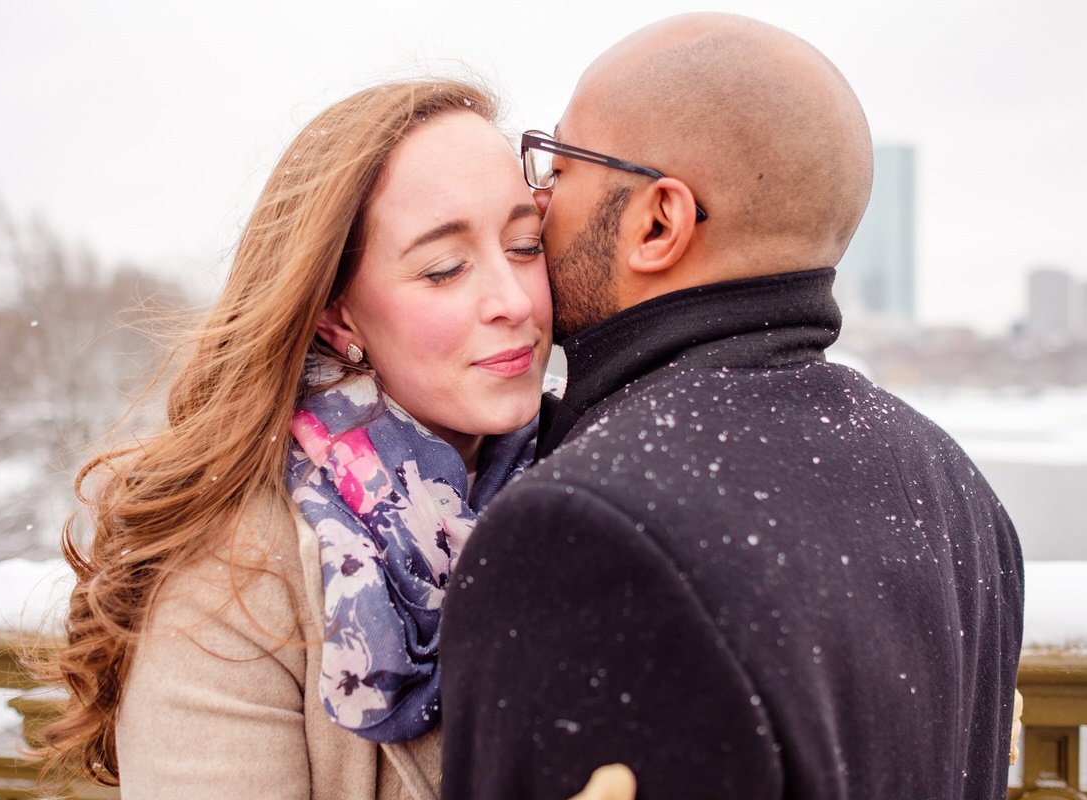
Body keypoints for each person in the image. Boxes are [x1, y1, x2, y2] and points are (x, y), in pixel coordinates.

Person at [439, 13, 1024, 800]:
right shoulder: (954, 487)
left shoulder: (585, 531)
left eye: (557, 165)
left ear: (658, 222)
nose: (537, 201)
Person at [41, 79, 555, 799]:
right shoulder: (229, 584)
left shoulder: (597, 484)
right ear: (338, 317)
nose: (513, 301)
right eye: (445, 269)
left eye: (526, 245)